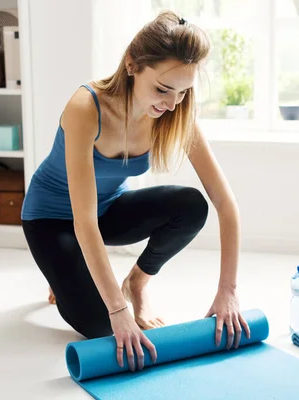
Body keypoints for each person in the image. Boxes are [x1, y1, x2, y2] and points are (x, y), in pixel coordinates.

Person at [20, 10, 251, 372]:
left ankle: (138, 283)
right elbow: (83, 222)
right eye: (162, 89)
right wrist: (117, 310)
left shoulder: (175, 109)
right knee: (103, 327)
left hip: (108, 211)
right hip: (54, 220)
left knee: (191, 205)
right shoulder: (85, 108)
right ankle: (62, 272)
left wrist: (228, 292)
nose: (172, 104)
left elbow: (224, 201)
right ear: (132, 65)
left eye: (183, 91)